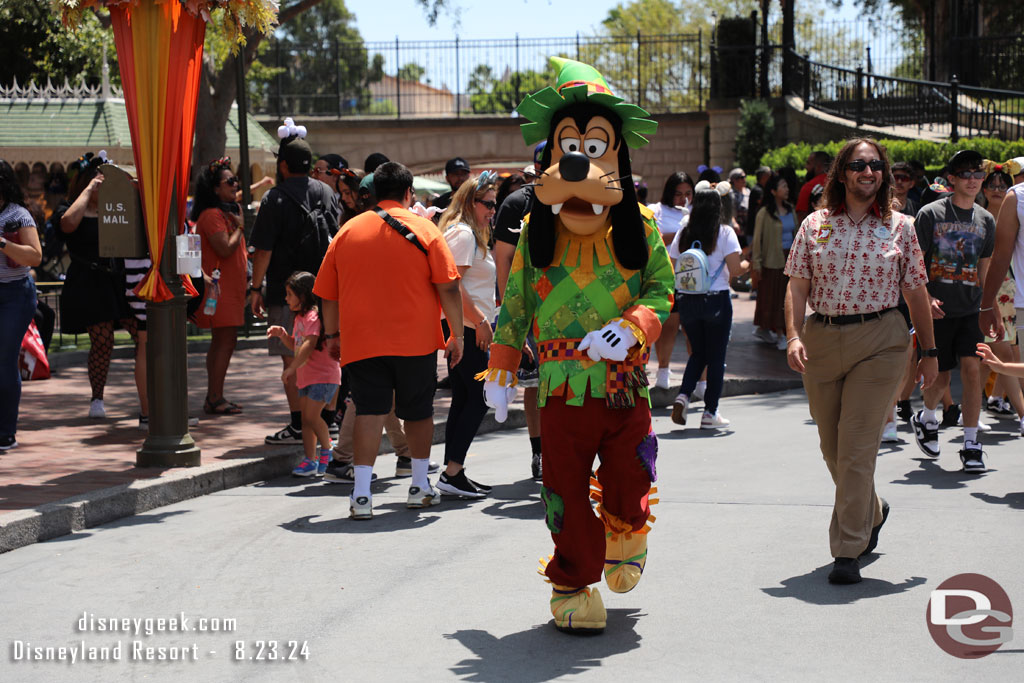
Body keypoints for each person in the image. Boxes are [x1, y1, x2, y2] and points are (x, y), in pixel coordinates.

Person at [482, 57, 673, 633]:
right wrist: (500, 366)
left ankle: (626, 532)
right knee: (562, 488)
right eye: (569, 146)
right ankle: (573, 582)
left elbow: (662, 291)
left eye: (594, 146)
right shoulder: (537, 233)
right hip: (562, 392)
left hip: (622, 386)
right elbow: (515, 303)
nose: (579, 160)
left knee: (631, 475)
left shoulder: (638, 225)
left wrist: (634, 326)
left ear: (617, 156)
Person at [785, 137, 937, 585]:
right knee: (831, 447)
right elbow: (796, 287)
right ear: (842, 173)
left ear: (883, 174)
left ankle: (847, 549)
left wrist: (929, 353)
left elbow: (915, 292)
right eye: (857, 165)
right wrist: (793, 336)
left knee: (855, 448)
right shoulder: (814, 225)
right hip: (823, 339)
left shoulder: (902, 227)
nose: (867, 172)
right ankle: (872, 509)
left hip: (881, 339)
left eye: (874, 166)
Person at [313, 161, 464, 520]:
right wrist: (456, 335)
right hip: (416, 340)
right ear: (409, 193)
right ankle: (418, 486)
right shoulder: (425, 229)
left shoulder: (348, 231)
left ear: (374, 192)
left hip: (362, 340)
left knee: (368, 410)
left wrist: (333, 335)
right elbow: (449, 286)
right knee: (418, 412)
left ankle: (362, 494)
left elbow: (327, 295)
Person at [249, 123, 340, 445]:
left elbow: (263, 250)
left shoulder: (274, 198)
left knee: (292, 359)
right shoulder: (327, 193)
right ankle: (328, 420)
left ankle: (299, 424)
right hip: (326, 291)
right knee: (329, 354)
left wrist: (255, 287)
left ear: (284, 165)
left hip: (288, 293)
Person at [909, 150, 995, 473]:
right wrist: (926, 298)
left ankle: (971, 443)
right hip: (937, 311)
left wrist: (991, 309)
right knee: (940, 376)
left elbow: (984, 271)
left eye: (978, 174)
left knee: (972, 369)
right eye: (966, 174)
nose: (973, 179)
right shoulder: (930, 214)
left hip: (971, 310)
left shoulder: (986, 220)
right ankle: (927, 416)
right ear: (952, 179)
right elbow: (914, 265)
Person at [57, 154, 140, 419]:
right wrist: (91, 188)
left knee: (144, 335)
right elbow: (67, 225)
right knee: (103, 340)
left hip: (119, 279)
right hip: (89, 282)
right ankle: (97, 398)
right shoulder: (70, 207)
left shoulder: (117, 208)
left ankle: (150, 397)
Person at [437, 172, 499, 498]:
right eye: (487, 203)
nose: (492, 209)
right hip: (466, 330)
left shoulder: (471, 234)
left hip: (468, 328)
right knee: (476, 400)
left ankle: (454, 472)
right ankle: (451, 472)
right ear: (470, 201)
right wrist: (481, 321)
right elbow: (452, 286)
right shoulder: (463, 235)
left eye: (494, 203)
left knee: (464, 399)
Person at [669, 182, 750, 428]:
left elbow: (672, 264)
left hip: (688, 300)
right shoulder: (724, 232)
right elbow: (736, 269)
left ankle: (683, 395)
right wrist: (748, 264)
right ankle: (710, 412)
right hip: (716, 299)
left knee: (698, 353)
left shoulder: (684, 233)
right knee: (716, 357)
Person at [492, 142, 546, 479]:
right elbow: (503, 262)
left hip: (574, 308)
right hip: (529, 308)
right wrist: (508, 315)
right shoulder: (517, 203)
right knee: (535, 384)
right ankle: (539, 452)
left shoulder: (578, 197)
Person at [268, 271, 340, 478]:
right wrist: (283, 335)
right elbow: (297, 346)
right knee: (306, 421)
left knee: (310, 416)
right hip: (307, 376)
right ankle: (310, 460)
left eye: (290, 294)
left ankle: (328, 449)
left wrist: (291, 368)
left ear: (304, 295)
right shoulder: (299, 318)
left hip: (323, 376)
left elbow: (309, 345)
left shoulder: (313, 316)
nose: (286, 298)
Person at [191, 157, 248, 415]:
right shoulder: (213, 215)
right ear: (215, 188)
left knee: (223, 341)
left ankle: (214, 395)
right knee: (225, 341)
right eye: (230, 181)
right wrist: (240, 227)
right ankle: (215, 397)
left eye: (235, 179)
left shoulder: (224, 212)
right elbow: (224, 248)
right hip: (219, 291)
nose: (235, 184)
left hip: (228, 289)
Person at [0, 159, 43, 450]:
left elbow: (35, 257)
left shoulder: (19, 215)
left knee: (3, 361)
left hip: (15, 295)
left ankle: (6, 433)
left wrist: (2, 243)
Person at [648, 172, 694, 390]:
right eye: (678, 194)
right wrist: (680, 233)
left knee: (692, 329)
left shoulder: (696, 212)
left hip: (692, 277)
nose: (683, 199)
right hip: (665, 275)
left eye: (687, 193)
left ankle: (700, 379)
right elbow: (652, 237)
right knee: (668, 326)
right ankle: (663, 370)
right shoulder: (657, 210)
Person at [751, 173, 795, 350]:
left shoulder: (790, 209)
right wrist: (757, 263)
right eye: (782, 186)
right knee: (774, 298)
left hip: (789, 258)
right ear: (773, 191)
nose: (786, 189)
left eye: (786, 186)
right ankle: (779, 333)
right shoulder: (764, 213)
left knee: (786, 296)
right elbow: (757, 239)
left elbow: (797, 233)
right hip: (772, 259)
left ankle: (765, 329)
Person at [795, 150, 830, 225]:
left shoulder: (809, 187)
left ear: (819, 166)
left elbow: (801, 217)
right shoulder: (841, 183)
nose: (805, 167)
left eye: (808, 163)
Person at [728, 167, 750, 232]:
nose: (744, 179)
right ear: (734, 180)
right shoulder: (731, 193)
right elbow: (730, 212)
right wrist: (734, 223)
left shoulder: (748, 191)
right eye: (742, 177)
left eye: (745, 177)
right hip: (737, 227)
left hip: (748, 226)